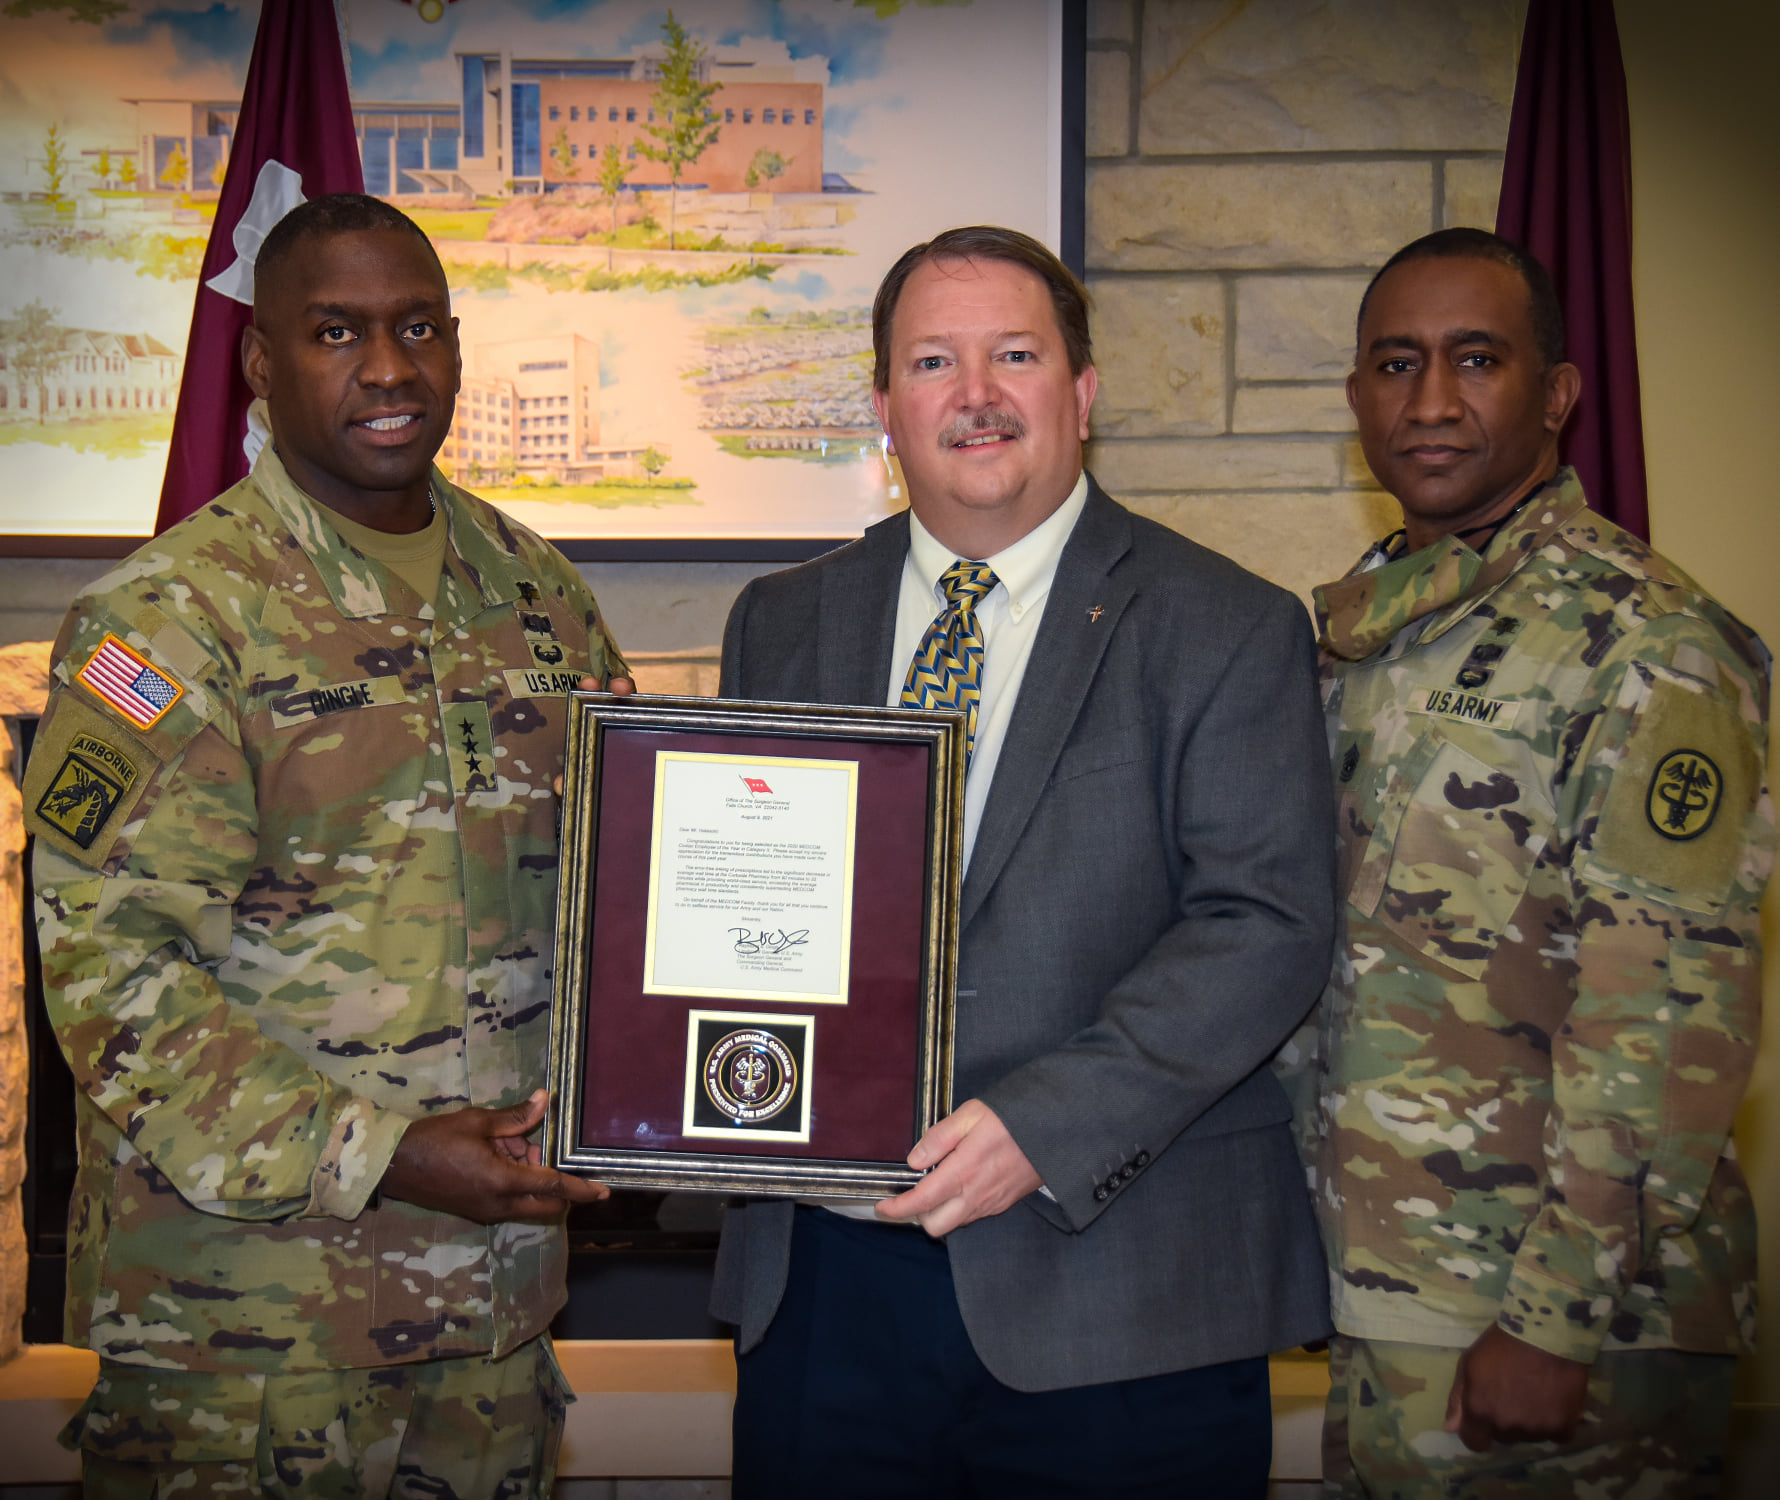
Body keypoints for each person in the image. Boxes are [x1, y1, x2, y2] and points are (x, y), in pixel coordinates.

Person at [713, 225, 1336, 1498]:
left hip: (1117, 1290)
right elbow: (738, 905)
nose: (976, 394)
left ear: (1082, 391)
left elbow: (1262, 923)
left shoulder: (1226, 623)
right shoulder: (781, 620)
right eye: (933, 361)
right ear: (885, 406)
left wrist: (1039, 1127)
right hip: (825, 1289)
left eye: (1015, 354)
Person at [25, 194, 631, 1498]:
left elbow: (629, 898)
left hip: (491, 1322)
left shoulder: (545, 602)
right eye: (337, 330)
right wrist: (394, 1152)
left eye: (418, 328)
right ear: (260, 361)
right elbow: (114, 984)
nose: (389, 368)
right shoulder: (166, 626)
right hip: (249, 1338)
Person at [1297, 226, 1772, 1497]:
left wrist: (1556, 1318)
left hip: (1557, 1329)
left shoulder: (1647, 644)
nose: (1432, 400)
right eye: (1396, 363)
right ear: (1356, 399)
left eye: (1477, 360)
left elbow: (1662, 1012)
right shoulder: (1375, 628)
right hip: (1392, 1286)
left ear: (1555, 393)